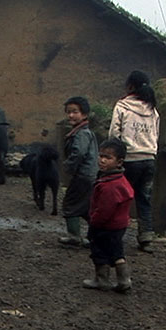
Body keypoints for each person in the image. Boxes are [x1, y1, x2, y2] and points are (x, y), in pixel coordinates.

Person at [108, 70, 161, 253]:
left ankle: (116, 235)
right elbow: (156, 135)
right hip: (149, 160)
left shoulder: (122, 106)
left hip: (129, 160)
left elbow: (114, 134)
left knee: (122, 198)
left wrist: (115, 156)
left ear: (130, 86)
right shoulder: (153, 110)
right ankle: (146, 236)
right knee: (143, 199)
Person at [83, 138, 135, 292]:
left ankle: (102, 279)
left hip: (106, 225)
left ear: (119, 162)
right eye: (101, 156)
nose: (102, 160)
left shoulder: (109, 185)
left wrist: (94, 223)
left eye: (108, 158)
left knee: (99, 251)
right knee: (117, 251)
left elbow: (104, 209)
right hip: (119, 225)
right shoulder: (120, 180)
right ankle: (124, 279)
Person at [58, 96, 99, 247]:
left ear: (85, 114)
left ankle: (74, 235)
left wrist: (68, 166)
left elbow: (79, 153)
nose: (71, 115)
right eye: (68, 112)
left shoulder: (81, 134)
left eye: (75, 112)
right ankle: (96, 237)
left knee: (70, 204)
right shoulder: (83, 132)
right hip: (89, 176)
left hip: (83, 176)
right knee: (86, 208)